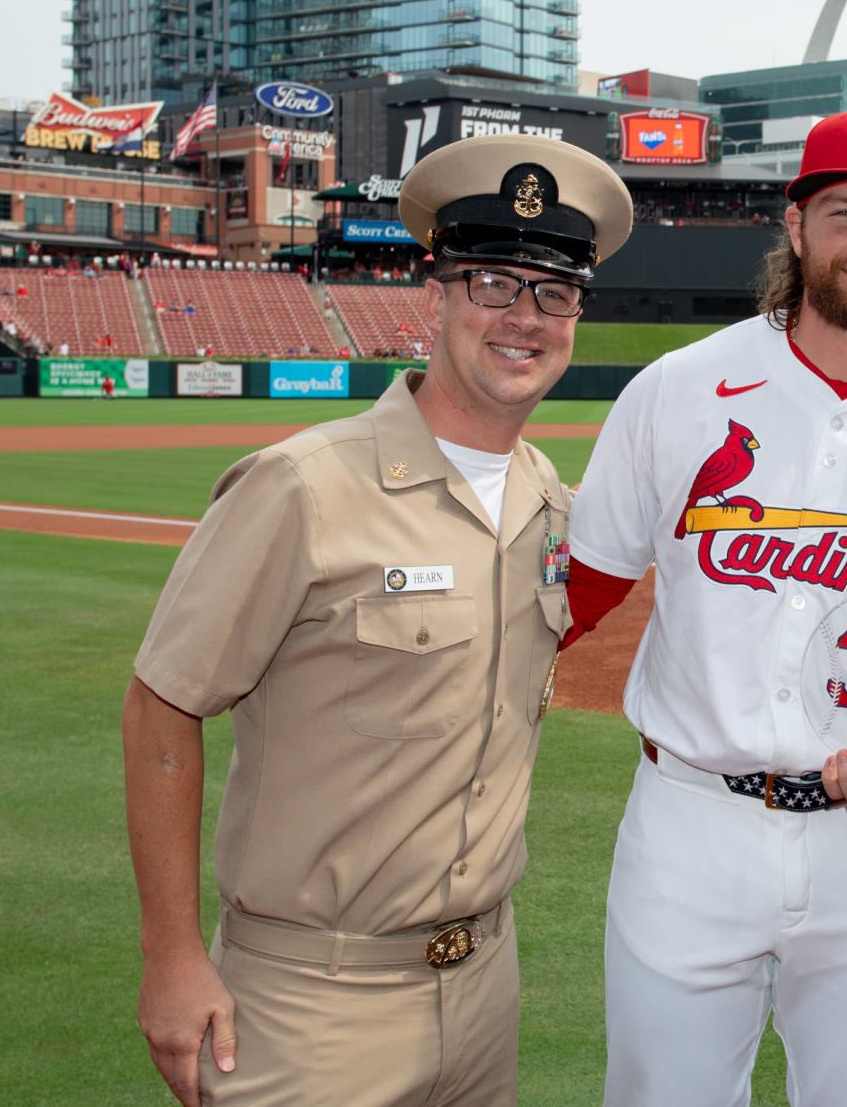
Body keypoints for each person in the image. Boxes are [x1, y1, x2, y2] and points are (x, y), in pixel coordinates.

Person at [122, 133, 632, 1107]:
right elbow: (161, 706)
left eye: (554, 292)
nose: (524, 317)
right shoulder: (302, 486)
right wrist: (172, 955)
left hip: (484, 987)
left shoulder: (549, 503)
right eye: (491, 282)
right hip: (312, 1000)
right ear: (434, 298)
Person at [562, 106, 847, 1107]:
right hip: (688, 829)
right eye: (844, 211)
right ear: (797, 225)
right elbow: (576, 593)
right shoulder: (680, 390)